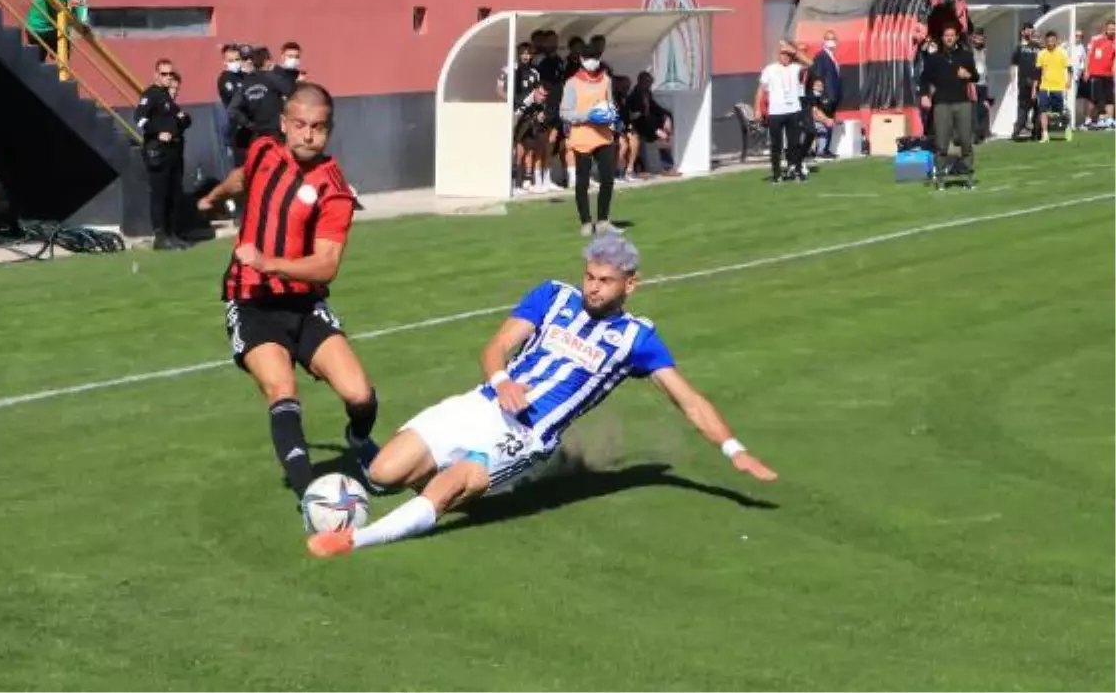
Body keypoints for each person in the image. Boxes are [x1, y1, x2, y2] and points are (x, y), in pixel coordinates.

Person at [307, 233, 778, 558]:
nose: (592, 287)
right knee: (384, 474)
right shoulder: (553, 297)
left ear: (630, 284)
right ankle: (412, 470)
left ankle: (356, 541)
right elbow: (495, 347)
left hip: (527, 435)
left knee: (448, 488)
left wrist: (734, 450)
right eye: (590, 276)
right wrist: (502, 382)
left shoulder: (637, 339)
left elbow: (688, 399)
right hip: (482, 403)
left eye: (605, 280)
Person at [197, 83, 382, 517]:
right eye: (299, 125)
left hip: (304, 304)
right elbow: (244, 177)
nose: (308, 135)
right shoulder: (263, 150)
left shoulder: (334, 189)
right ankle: (310, 497)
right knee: (282, 389)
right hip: (251, 301)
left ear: (329, 130)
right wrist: (216, 194)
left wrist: (269, 262)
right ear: (284, 124)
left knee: (360, 396)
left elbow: (326, 264)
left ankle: (358, 441)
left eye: (318, 127)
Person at [560, 43, 617, 237]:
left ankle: (603, 220)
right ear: (582, 60)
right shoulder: (572, 83)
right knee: (582, 180)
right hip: (582, 136)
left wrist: (610, 116)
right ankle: (585, 221)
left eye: (596, 57)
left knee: (608, 178)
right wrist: (588, 115)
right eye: (589, 57)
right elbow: (565, 112)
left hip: (603, 136)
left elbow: (611, 105)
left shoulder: (606, 80)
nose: (593, 61)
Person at [134, 58, 190, 250]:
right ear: (156, 75)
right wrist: (157, 132)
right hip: (158, 150)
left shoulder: (166, 97)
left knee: (173, 194)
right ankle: (160, 235)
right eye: (164, 74)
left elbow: (180, 118)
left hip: (173, 150)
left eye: (170, 74)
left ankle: (172, 234)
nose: (168, 77)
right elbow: (139, 119)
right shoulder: (150, 95)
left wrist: (183, 120)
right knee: (160, 194)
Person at [919, 24, 979, 185]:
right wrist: (924, 95)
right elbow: (924, 79)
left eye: (952, 35)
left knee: (966, 140)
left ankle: (968, 175)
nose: (949, 38)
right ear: (942, 38)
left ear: (957, 37)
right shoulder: (933, 58)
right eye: (946, 36)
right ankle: (940, 176)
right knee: (941, 142)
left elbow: (976, 77)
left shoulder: (966, 56)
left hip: (962, 102)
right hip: (942, 103)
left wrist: (968, 75)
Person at [755, 40, 812, 183]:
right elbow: (761, 90)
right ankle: (777, 174)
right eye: (783, 54)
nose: (785, 57)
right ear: (778, 54)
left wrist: (794, 51)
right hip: (776, 112)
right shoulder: (770, 69)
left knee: (794, 144)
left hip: (793, 110)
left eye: (788, 54)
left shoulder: (795, 68)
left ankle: (795, 169)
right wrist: (757, 108)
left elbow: (811, 64)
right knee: (776, 145)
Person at [1034, 31, 1073, 143]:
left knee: (1060, 111)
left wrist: (1069, 81)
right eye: (1048, 40)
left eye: (1053, 40)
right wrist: (1035, 86)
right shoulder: (1041, 54)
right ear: (1046, 41)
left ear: (1056, 40)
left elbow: (1070, 69)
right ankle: (1045, 134)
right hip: (1044, 86)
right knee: (1043, 110)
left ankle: (1067, 127)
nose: (1050, 42)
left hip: (1059, 87)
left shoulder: (1062, 53)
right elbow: (1038, 72)